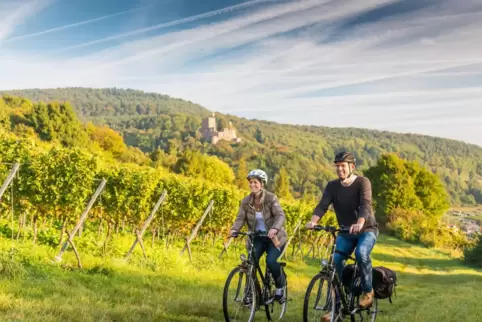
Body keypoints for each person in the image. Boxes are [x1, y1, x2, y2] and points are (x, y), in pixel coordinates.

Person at [306, 151, 378, 317]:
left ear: (352, 167)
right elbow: (322, 206)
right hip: (345, 231)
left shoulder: (362, 182)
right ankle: (337, 306)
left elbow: (365, 205)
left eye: (343, 166)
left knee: (361, 253)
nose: (339, 169)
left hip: (366, 230)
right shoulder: (332, 186)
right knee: (336, 261)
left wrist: (360, 222)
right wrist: (314, 221)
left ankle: (367, 291)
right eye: (337, 166)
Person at [230, 169, 288, 301]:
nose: (252, 185)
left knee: (271, 261)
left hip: (275, 238)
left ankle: (280, 286)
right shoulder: (245, 201)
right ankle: (250, 293)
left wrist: (274, 228)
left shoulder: (271, 198)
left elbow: (280, 215)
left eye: (255, 182)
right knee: (251, 263)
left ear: (262, 184)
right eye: (250, 182)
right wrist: (234, 230)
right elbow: (240, 219)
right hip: (257, 238)